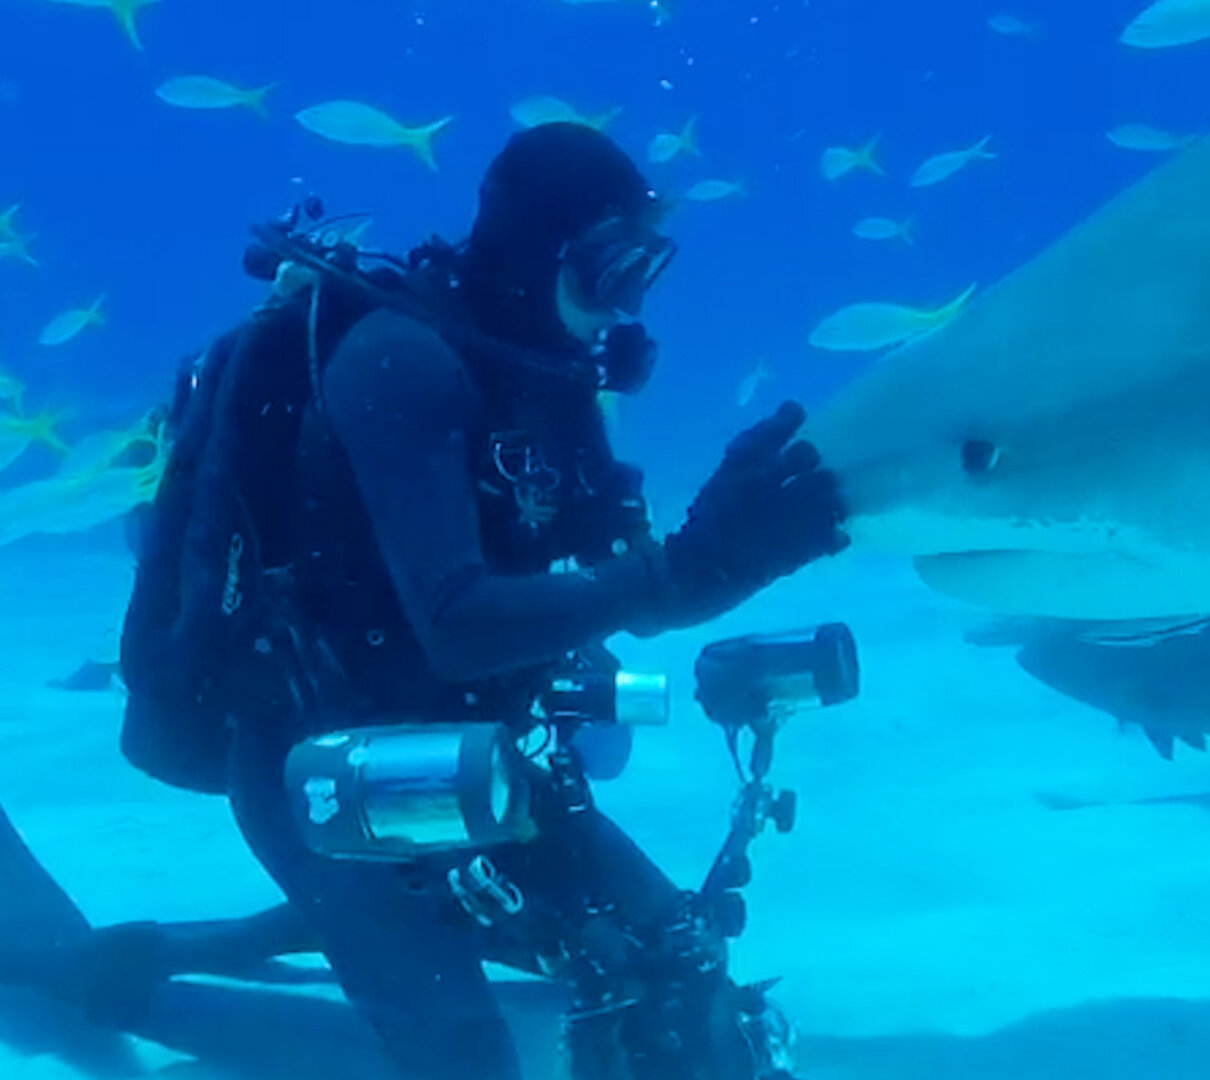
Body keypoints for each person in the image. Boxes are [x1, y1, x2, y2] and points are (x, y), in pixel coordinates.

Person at [112, 121, 850, 1080]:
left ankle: (208, 944)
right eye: (610, 273)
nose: (621, 312)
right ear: (541, 253)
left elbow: (642, 599)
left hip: (482, 763)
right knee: (467, 1055)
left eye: (643, 275)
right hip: (329, 770)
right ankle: (181, 958)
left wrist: (732, 552)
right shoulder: (400, 362)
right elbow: (457, 628)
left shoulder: (550, 380)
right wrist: (672, 571)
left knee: (681, 960)